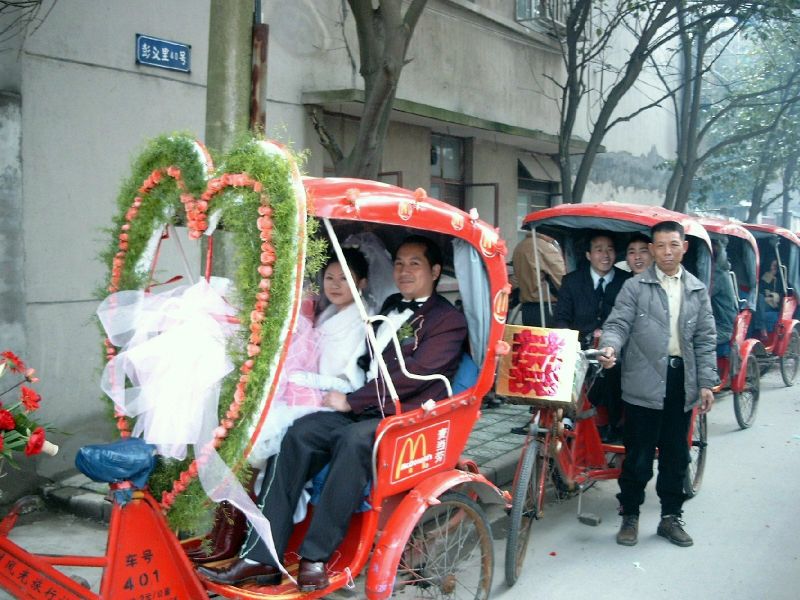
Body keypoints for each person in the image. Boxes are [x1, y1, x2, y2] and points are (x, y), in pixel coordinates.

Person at [198, 235, 467, 591]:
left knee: (352, 439)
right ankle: (261, 558)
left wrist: (352, 401)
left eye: (414, 264)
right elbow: (366, 359)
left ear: (434, 271)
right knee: (299, 433)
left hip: (404, 416)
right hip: (366, 403)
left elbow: (411, 377)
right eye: (399, 263)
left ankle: (315, 557)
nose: (403, 271)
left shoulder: (448, 320)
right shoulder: (389, 304)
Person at [597, 220, 717, 548]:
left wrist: (706, 382)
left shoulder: (695, 289)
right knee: (637, 455)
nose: (666, 252)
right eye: (660, 246)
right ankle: (630, 516)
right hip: (642, 382)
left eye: (673, 245)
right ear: (652, 249)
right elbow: (618, 323)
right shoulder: (635, 288)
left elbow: (706, 339)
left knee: (676, 456)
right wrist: (610, 346)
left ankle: (670, 518)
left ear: (684, 247)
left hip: (682, 382)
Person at [555, 232, 630, 440]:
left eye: (610, 249)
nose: (605, 255)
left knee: (616, 369)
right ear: (588, 255)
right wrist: (568, 344)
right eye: (599, 249)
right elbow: (561, 318)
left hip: (616, 346)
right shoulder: (572, 281)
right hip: (580, 347)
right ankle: (568, 418)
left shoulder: (627, 282)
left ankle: (615, 423)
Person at [512, 230, 566, 327]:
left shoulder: (520, 246)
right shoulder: (546, 248)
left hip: (526, 308)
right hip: (547, 308)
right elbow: (562, 282)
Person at [709, 238, 737, 359]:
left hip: (723, 326)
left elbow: (703, 297)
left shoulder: (719, 275)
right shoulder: (715, 272)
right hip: (714, 322)